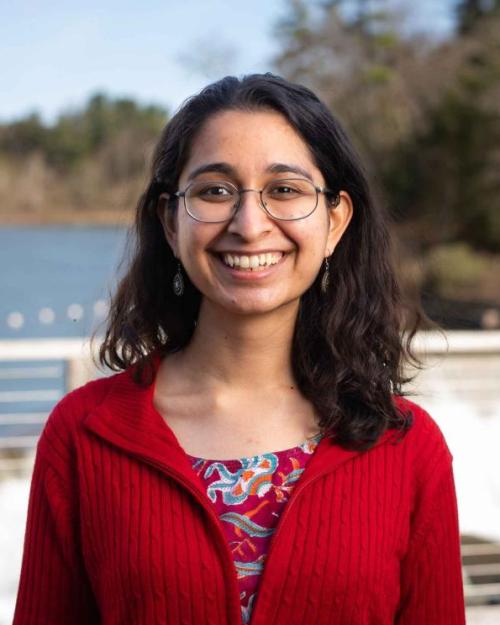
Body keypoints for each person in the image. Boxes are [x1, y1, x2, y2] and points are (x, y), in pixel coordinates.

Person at [12, 74, 466, 625]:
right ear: (170, 221)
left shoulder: (407, 446)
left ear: (335, 221)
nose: (249, 226)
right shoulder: (83, 434)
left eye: (285, 190)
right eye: (215, 191)